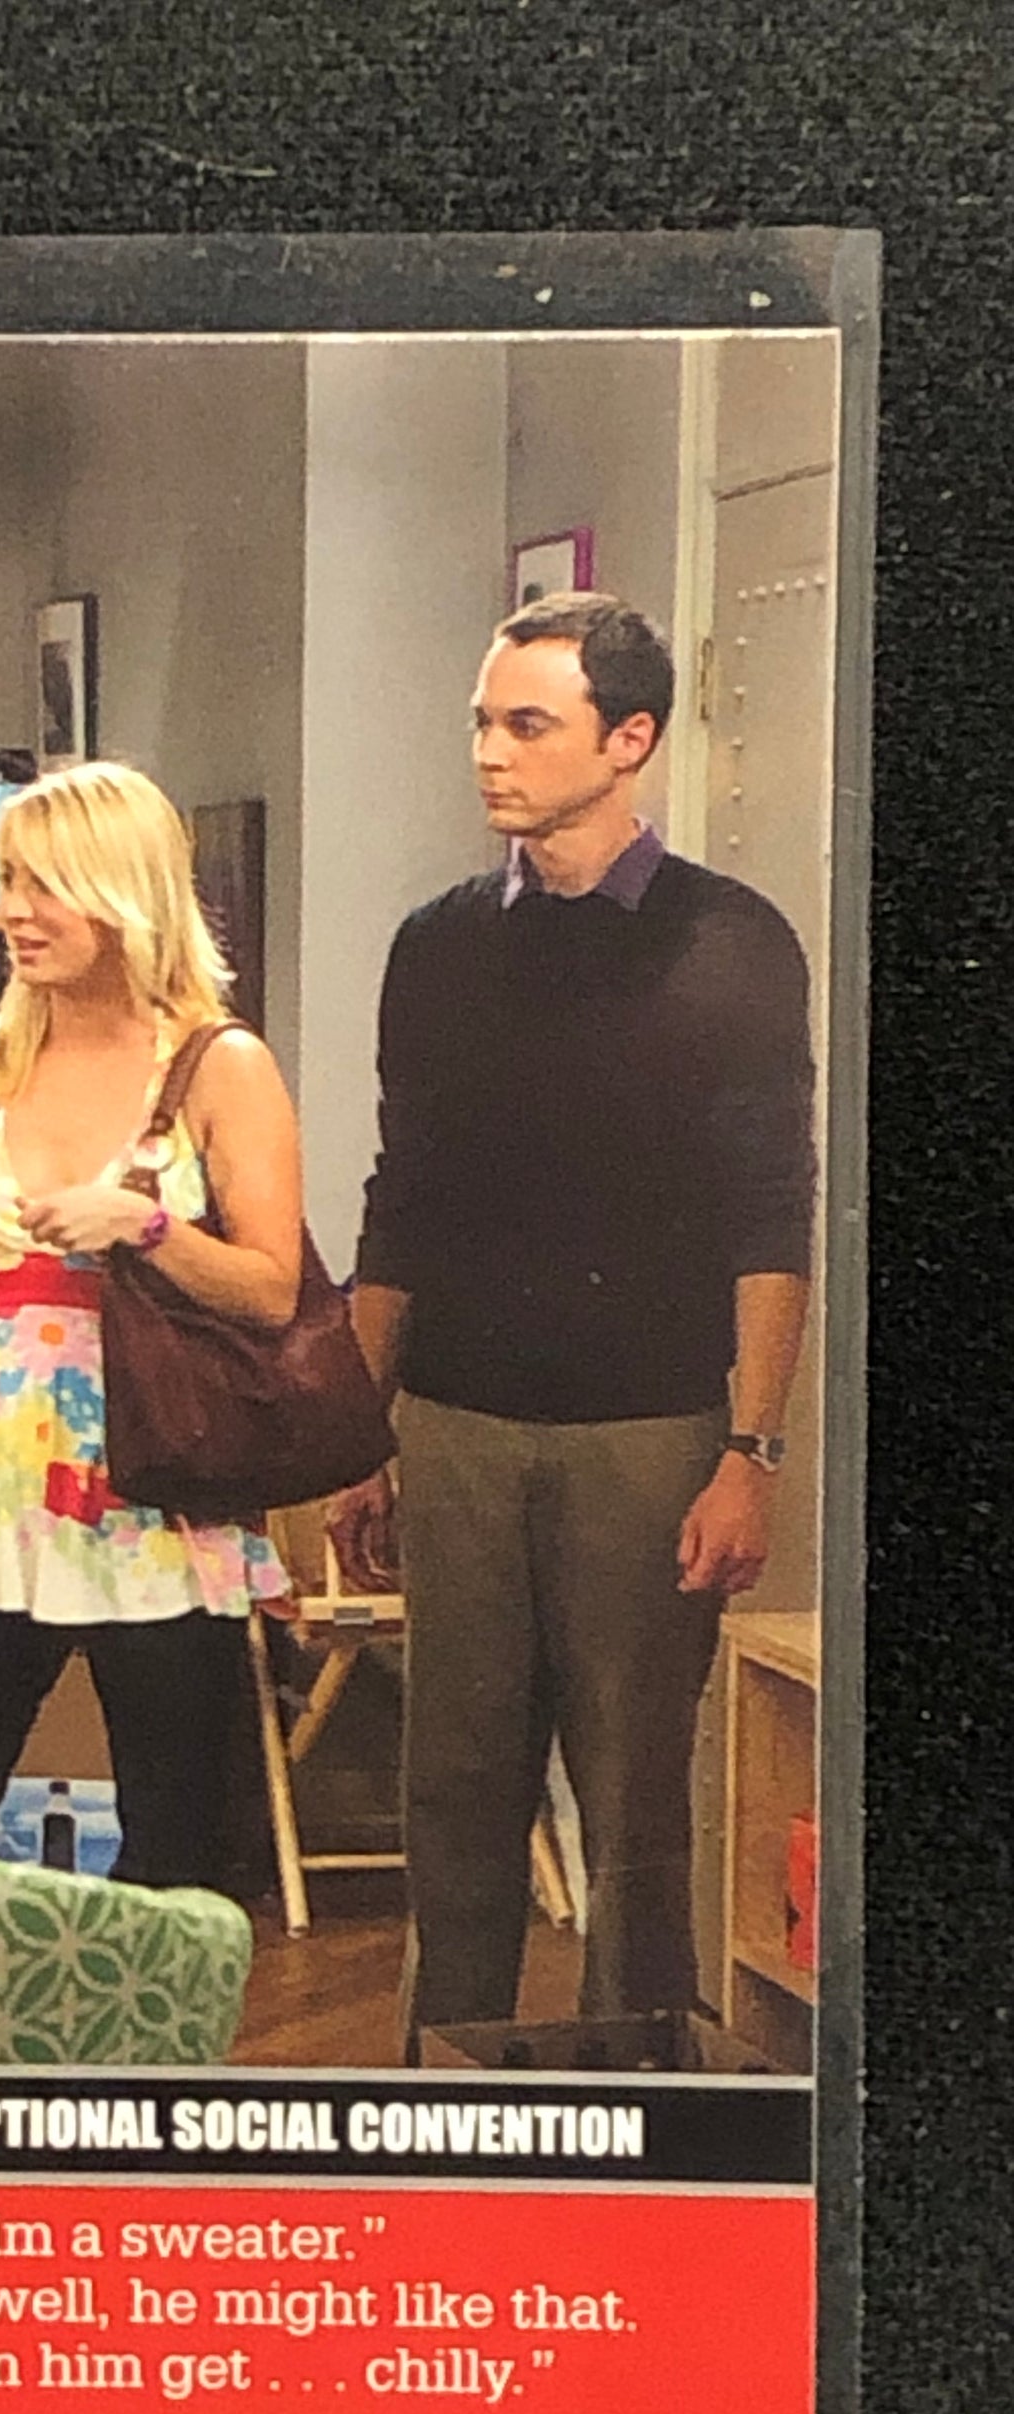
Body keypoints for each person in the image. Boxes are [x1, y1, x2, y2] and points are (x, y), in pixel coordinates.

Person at [328, 593, 814, 2042]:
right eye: (482, 721)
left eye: (526, 724)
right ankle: (440, 2093)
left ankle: (635, 2105)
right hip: (457, 1421)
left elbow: (769, 1211)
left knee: (632, 1802)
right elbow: (401, 1198)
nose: (489, 751)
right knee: (454, 1793)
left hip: (646, 1430)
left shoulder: (728, 942)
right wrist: (355, 1430)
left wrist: (749, 1451)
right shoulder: (436, 943)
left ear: (628, 738)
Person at [0, 760, 299, 1894]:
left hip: (157, 1490)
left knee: (178, 1854)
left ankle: (162, 2022)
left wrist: (143, 1227)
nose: (13, 912)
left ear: (125, 893)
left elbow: (270, 1290)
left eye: (46, 885)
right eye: (8, 881)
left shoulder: (216, 1063)